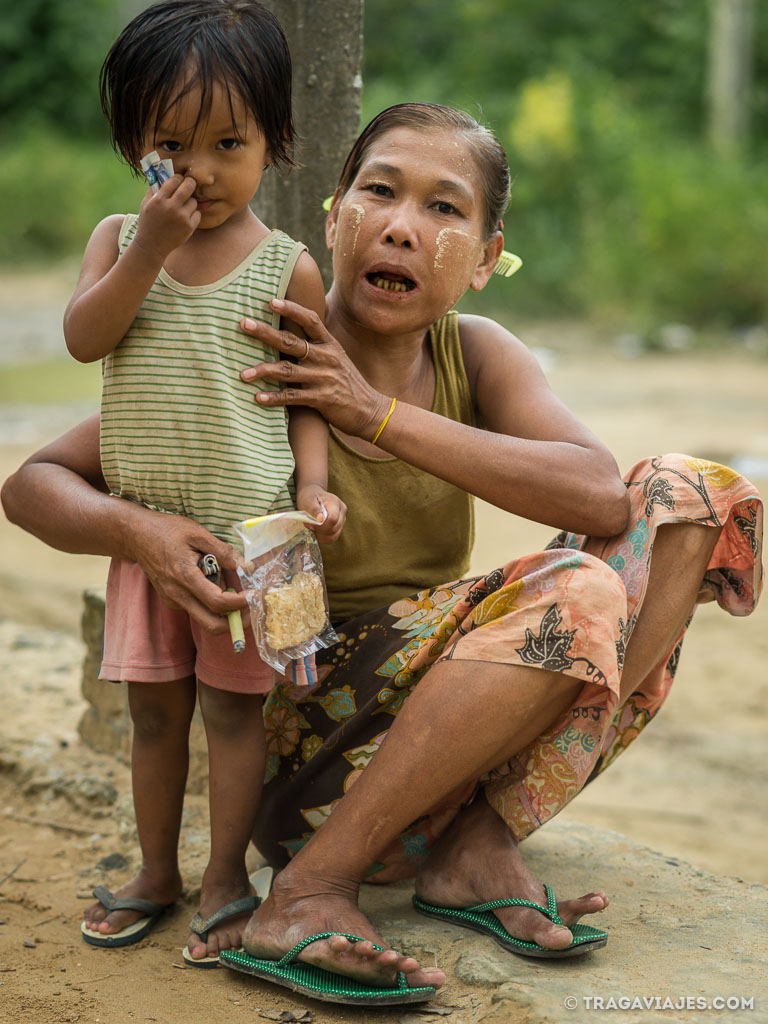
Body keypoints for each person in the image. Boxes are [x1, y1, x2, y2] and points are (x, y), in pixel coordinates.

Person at [2, 103, 762, 1004]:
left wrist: (376, 414)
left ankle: (475, 843)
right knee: (576, 592)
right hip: (302, 758)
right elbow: (30, 485)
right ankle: (313, 885)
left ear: (484, 261)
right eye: (380, 190)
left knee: (691, 493)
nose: (403, 224)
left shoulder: (473, 354)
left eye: (445, 209)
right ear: (335, 217)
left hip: (441, 748)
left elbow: (601, 493)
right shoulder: (263, 341)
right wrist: (142, 533)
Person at [58, 0, 344, 967]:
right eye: (170, 145)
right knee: (153, 715)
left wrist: (315, 485)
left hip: (248, 548)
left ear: (276, 142)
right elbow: (84, 338)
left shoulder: (287, 268)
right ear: (131, 147)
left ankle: (225, 876)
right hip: (149, 542)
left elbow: (307, 395)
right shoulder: (116, 241)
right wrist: (145, 246)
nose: (200, 171)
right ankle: (155, 872)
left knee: (231, 713)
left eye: (230, 141)